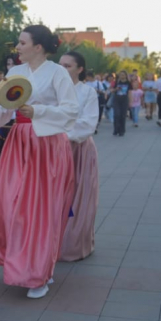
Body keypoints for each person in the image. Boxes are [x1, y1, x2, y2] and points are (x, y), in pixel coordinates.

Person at [0, 25, 77, 299]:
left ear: (38, 46)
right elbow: (4, 107)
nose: (17, 47)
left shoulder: (57, 72)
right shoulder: (16, 73)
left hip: (47, 145)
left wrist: (37, 110)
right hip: (19, 144)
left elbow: (70, 110)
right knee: (8, 204)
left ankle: (39, 272)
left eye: (21, 42)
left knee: (40, 211)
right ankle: (21, 262)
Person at [58, 52, 99, 262]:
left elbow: (88, 123)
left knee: (78, 198)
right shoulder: (50, 91)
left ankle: (73, 243)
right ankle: (50, 242)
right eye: (60, 65)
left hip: (79, 149)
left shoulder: (88, 92)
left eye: (68, 66)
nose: (62, 69)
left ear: (79, 69)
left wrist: (63, 134)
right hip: (53, 148)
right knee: (54, 197)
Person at [0, 54, 19, 172]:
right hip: (6, 122)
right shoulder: (4, 82)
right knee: (4, 157)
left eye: (12, 64)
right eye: (8, 64)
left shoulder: (27, 81)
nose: (10, 67)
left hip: (23, 126)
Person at [111, 71, 131, 136]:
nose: (122, 76)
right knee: (116, 114)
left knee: (123, 115)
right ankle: (116, 129)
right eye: (121, 75)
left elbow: (130, 93)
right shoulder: (116, 82)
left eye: (123, 75)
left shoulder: (128, 83)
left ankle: (122, 130)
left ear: (126, 76)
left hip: (124, 99)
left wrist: (130, 102)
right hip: (116, 99)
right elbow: (111, 90)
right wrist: (116, 89)